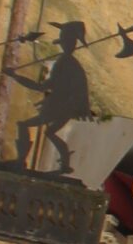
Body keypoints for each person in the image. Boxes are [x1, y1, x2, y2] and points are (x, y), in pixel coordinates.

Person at [7, 20, 91, 173]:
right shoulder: (70, 63)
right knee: (49, 132)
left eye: (64, 38)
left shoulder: (65, 62)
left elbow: (42, 86)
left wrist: (15, 77)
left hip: (58, 106)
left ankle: (20, 161)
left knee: (24, 125)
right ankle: (65, 163)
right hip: (62, 107)